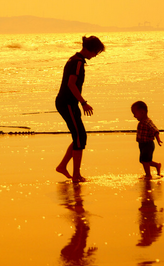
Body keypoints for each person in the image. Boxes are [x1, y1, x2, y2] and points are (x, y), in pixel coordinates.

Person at [55, 36, 105, 183]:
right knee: (79, 137)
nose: (95, 55)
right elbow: (71, 84)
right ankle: (76, 174)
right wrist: (83, 103)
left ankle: (63, 166)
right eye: (96, 52)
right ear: (92, 49)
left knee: (80, 137)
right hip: (67, 103)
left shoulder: (75, 59)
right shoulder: (77, 63)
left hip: (70, 103)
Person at [131, 101, 163, 178]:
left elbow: (155, 130)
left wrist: (158, 139)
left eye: (135, 113)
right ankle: (157, 165)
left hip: (148, 144)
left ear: (142, 112)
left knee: (145, 160)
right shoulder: (142, 122)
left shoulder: (147, 122)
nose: (134, 116)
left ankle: (148, 175)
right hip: (142, 144)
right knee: (144, 160)